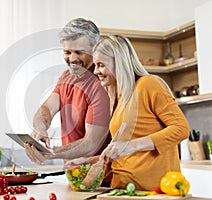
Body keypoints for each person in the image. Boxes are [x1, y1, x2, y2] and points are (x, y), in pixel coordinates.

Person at [66, 35, 189, 191]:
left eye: (101, 65)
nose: (96, 71)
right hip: (122, 188)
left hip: (151, 191)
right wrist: (88, 161)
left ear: (120, 63)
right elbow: (123, 153)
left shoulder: (148, 84)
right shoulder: (119, 97)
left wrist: (131, 146)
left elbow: (181, 129)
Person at [24, 18, 111, 165]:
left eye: (79, 52)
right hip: (74, 173)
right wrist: (40, 128)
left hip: (101, 179)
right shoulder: (66, 76)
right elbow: (47, 108)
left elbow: (91, 144)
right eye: (67, 52)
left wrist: (50, 153)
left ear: (95, 50)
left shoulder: (100, 84)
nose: (72, 59)